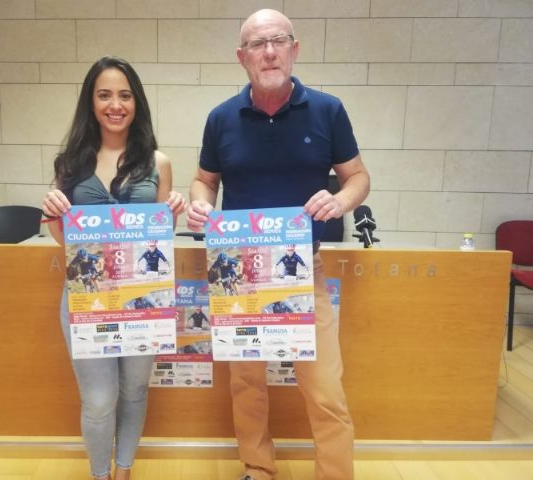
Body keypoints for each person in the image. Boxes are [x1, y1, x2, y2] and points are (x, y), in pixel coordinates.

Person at [186, 9, 370, 480]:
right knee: (247, 383)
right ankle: (258, 467)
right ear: (241, 57)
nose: (269, 52)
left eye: (278, 41)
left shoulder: (327, 110)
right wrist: (201, 203)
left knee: (325, 389)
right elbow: (205, 180)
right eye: (257, 44)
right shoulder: (221, 118)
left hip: (303, 269)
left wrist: (341, 199)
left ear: (294, 49)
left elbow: (358, 177)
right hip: (240, 275)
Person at [41, 57, 186, 480]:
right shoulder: (69, 164)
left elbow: (159, 236)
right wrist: (52, 213)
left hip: (143, 297)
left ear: (136, 102)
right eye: (104, 95)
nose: (115, 105)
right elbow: (65, 240)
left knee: (134, 389)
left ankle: (123, 470)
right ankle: (99, 474)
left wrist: (172, 211)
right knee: (99, 399)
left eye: (125, 95)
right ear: (91, 102)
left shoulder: (157, 162)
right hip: (86, 298)